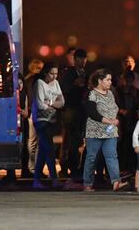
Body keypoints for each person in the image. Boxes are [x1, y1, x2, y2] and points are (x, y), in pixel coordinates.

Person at [83, 69, 128, 192]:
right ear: (99, 80)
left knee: (112, 156)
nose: (110, 82)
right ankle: (87, 183)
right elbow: (93, 113)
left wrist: (116, 118)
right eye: (107, 80)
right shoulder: (92, 94)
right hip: (95, 131)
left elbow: (114, 108)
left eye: (110, 80)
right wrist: (109, 121)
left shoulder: (110, 93)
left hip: (109, 131)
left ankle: (116, 182)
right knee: (92, 157)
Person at [31, 62, 65, 189]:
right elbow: (40, 105)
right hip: (41, 121)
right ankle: (53, 178)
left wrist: (49, 102)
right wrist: (53, 105)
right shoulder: (40, 84)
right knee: (49, 149)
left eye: (56, 74)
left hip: (51, 120)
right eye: (52, 74)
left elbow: (62, 102)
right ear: (46, 73)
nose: (54, 77)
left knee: (43, 151)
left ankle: (36, 180)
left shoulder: (55, 83)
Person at [61, 48, 88, 187]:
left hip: (82, 110)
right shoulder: (69, 73)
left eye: (85, 59)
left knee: (80, 141)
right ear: (75, 59)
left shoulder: (86, 73)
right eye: (80, 59)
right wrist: (75, 84)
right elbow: (64, 89)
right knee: (72, 141)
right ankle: (72, 169)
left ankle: (79, 169)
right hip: (71, 109)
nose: (83, 61)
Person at [24, 58, 44, 176]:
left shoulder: (28, 80)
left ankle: (33, 168)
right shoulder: (34, 80)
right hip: (36, 113)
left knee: (33, 142)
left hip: (34, 113)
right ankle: (34, 168)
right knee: (35, 142)